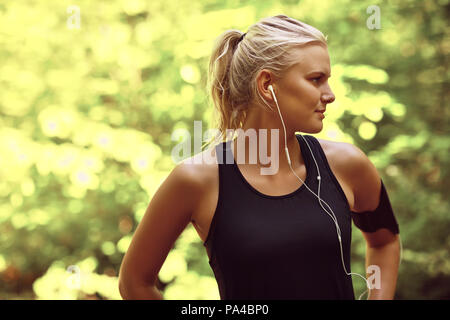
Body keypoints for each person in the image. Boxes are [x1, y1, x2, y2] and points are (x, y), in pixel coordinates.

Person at [118, 14, 401, 300]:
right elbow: (134, 283)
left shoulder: (347, 164)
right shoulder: (197, 179)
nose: (330, 94)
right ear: (267, 85)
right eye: (316, 80)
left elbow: (385, 241)